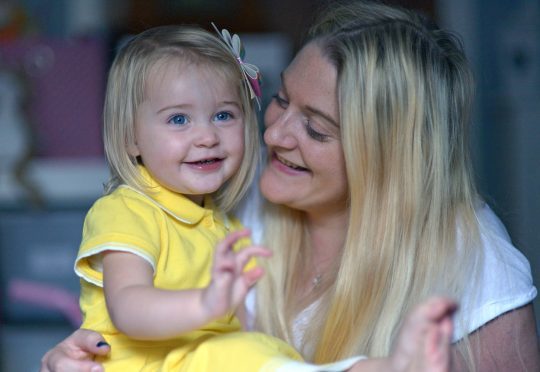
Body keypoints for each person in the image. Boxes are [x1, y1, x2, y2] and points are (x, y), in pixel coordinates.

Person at [41, 1, 539, 371]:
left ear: (385, 159)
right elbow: (132, 314)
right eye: (280, 100)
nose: (273, 135)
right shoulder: (218, 192)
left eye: (316, 129)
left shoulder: (474, 258)